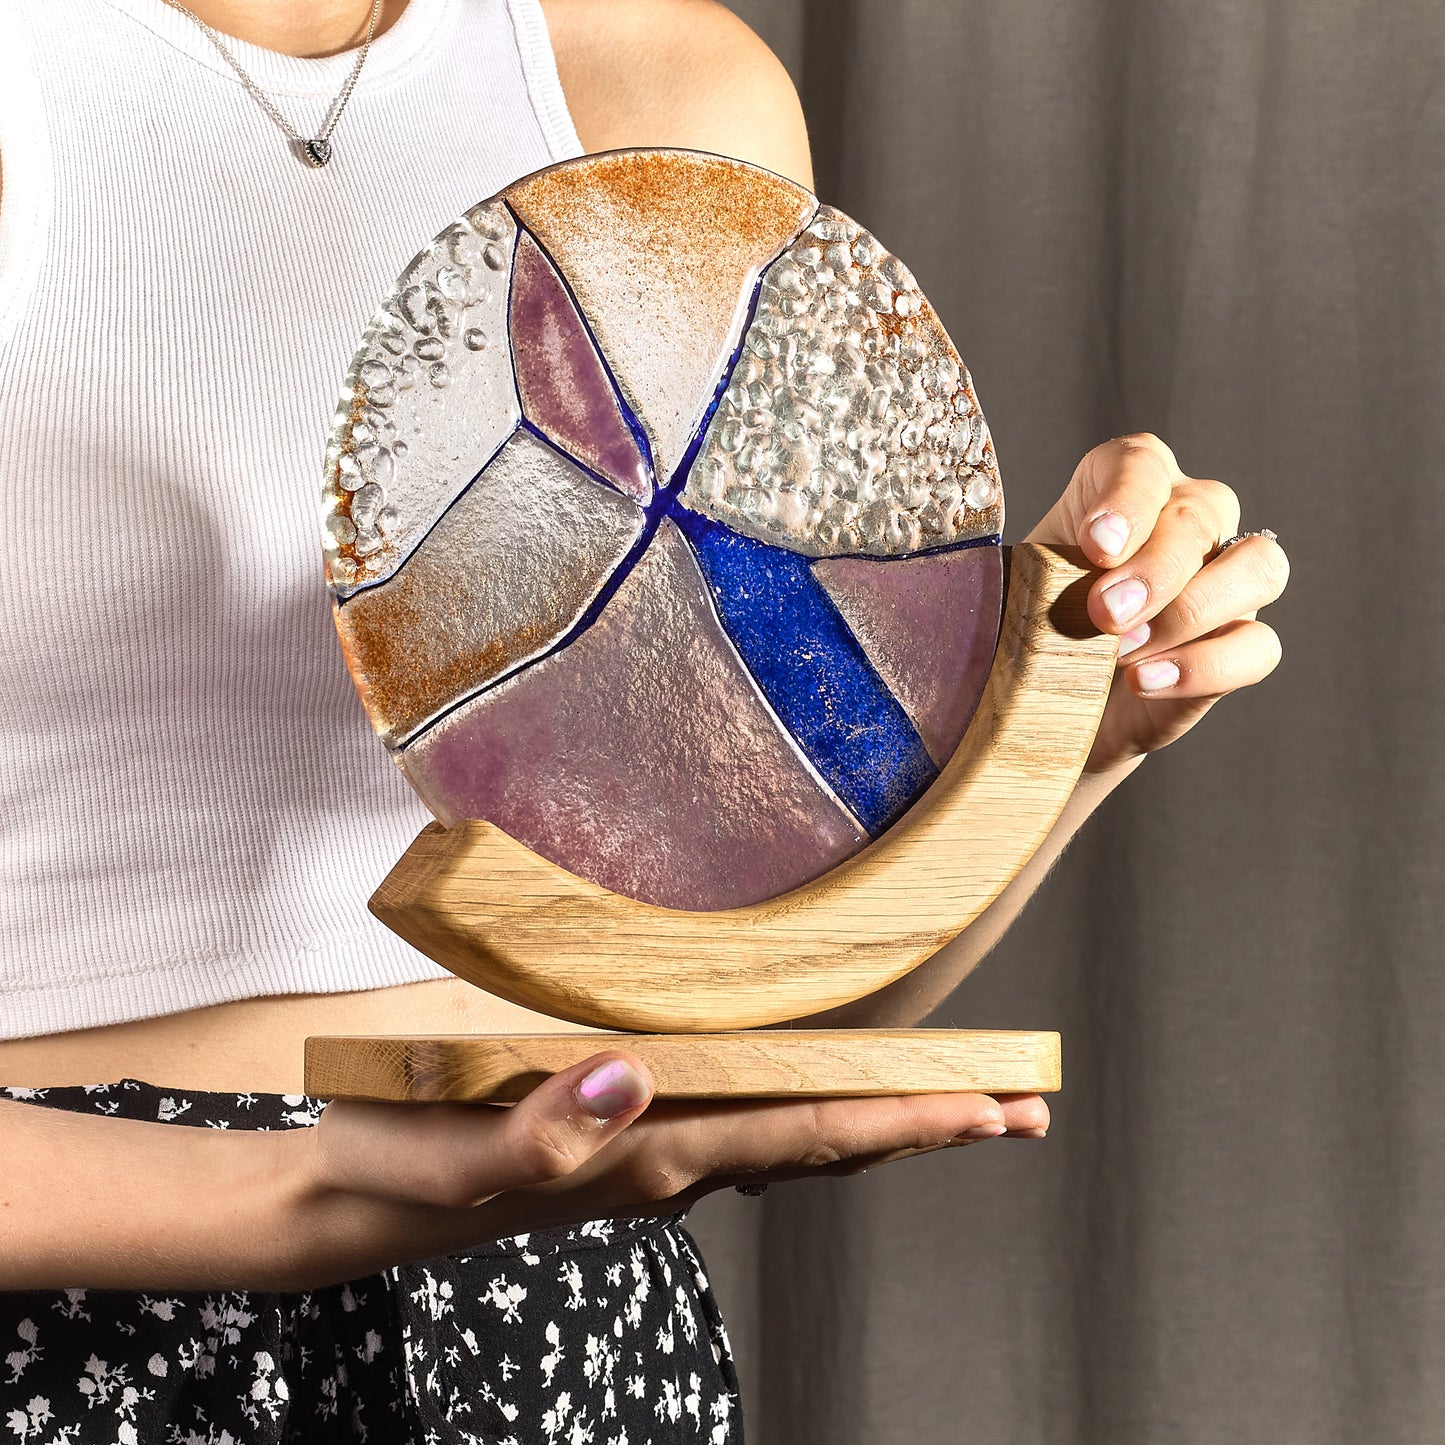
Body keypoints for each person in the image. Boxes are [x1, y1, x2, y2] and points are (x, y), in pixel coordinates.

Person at [0, 0, 1289, 1439]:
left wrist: (1059, 725)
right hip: (78, 1344)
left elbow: (753, 994)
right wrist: (327, 1184)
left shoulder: (668, 82)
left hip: (563, 1329)